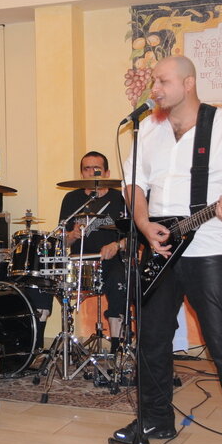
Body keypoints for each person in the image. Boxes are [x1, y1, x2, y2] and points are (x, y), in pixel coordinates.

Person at [114, 55, 222, 444]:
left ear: (189, 83)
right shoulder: (149, 128)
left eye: (163, 82)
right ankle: (156, 419)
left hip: (210, 246)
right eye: (153, 82)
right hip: (160, 246)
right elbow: (133, 183)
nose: (155, 90)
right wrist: (143, 223)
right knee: (151, 340)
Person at [58, 151, 128, 352]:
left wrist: (117, 245)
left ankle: (117, 347)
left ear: (107, 173)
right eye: (86, 169)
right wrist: (71, 235)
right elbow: (61, 238)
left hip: (111, 261)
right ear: (82, 173)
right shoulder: (71, 198)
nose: (91, 173)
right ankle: (38, 346)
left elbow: (135, 235)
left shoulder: (121, 198)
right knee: (43, 278)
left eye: (96, 168)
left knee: (119, 278)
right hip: (78, 262)